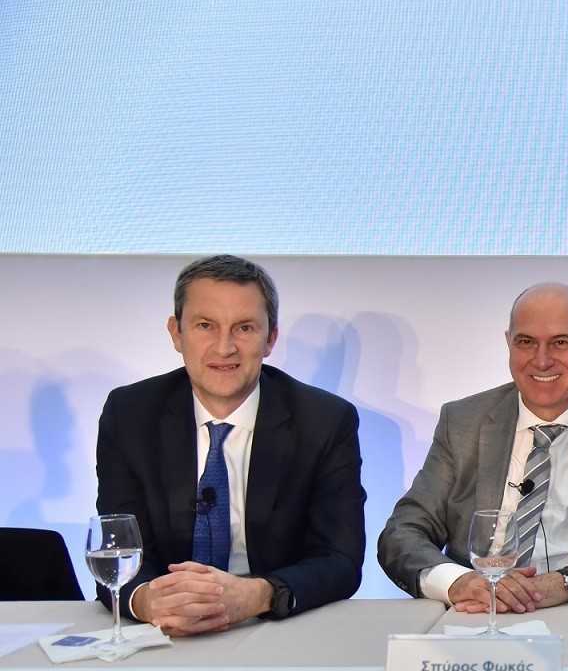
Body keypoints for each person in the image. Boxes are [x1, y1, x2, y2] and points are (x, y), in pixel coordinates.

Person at [96, 255, 366, 634]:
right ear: (176, 333)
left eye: (244, 328)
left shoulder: (324, 421)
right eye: (205, 325)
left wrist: (259, 595)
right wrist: (147, 601)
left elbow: (340, 559)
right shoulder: (130, 414)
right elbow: (117, 548)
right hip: (164, 629)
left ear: (270, 339)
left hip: (274, 626)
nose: (224, 348)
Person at [378, 282, 568, 613]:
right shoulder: (463, 421)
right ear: (508, 343)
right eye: (526, 342)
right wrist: (458, 582)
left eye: (560, 342)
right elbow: (403, 532)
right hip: (479, 611)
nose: (542, 360)